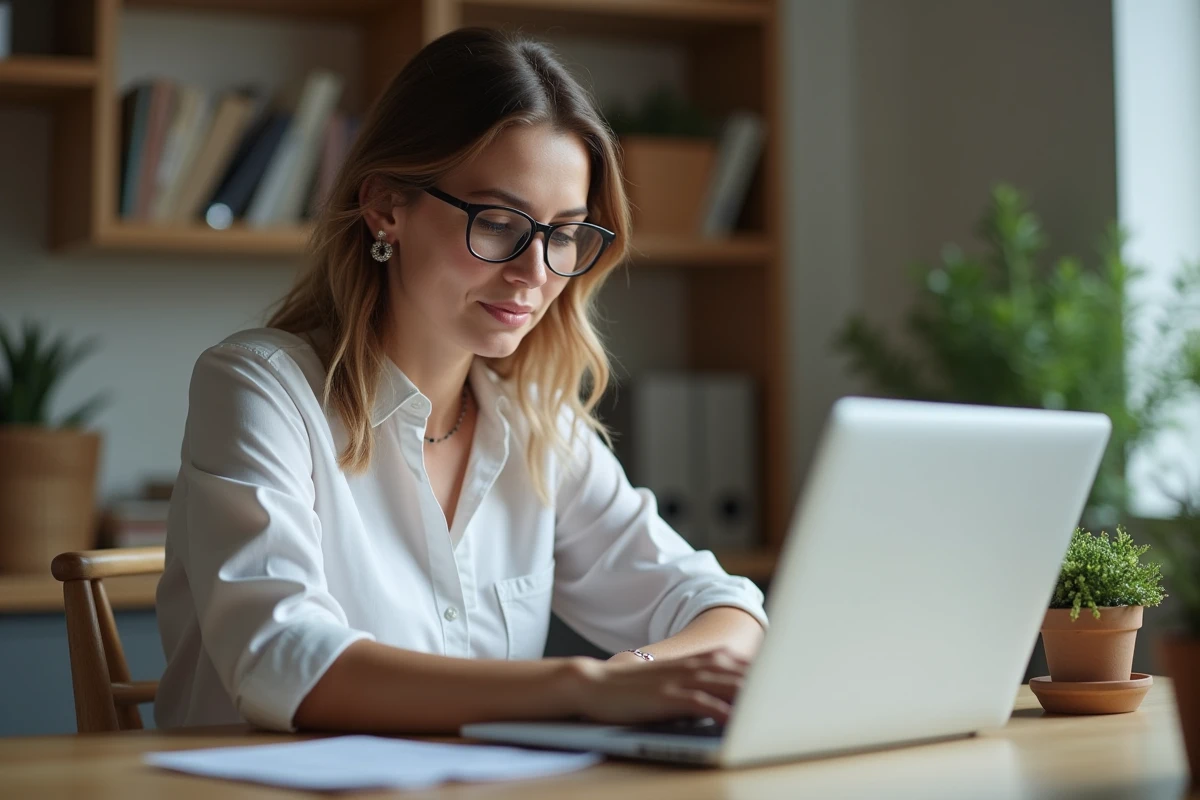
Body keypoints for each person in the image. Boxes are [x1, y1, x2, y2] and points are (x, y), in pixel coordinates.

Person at [154, 27, 767, 734]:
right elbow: (282, 660)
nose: (535, 274)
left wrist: (637, 681)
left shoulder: (535, 424)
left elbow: (724, 607)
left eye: (563, 233)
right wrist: (584, 687)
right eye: (501, 223)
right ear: (386, 206)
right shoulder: (263, 388)